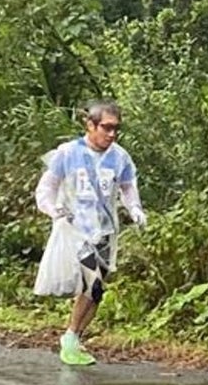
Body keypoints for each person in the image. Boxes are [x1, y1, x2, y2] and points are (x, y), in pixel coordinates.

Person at [33, 100, 146, 365]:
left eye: (116, 128)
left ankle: (75, 338)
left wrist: (136, 210)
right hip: (76, 231)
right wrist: (54, 210)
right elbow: (45, 188)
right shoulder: (68, 153)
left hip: (105, 231)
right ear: (91, 125)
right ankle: (70, 338)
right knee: (92, 283)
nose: (112, 134)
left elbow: (128, 187)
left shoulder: (120, 157)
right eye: (106, 128)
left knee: (96, 290)